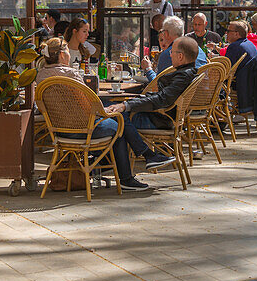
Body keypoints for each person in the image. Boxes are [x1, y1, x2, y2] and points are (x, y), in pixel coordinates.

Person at [39, 38, 176, 191]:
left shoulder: (41, 75)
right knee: (120, 122)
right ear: (63, 55)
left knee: (118, 117)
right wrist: (104, 112)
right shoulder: (71, 74)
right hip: (84, 130)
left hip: (58, 130)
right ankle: (131, 172)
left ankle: (140, 160)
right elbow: (87, 105)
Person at [104, 37, 201, 190]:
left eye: (172, 52)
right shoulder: (186, 72)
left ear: (180, 56)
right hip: (160, 117)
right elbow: (160, 97)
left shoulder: (183, 75)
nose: (169, 55)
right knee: (115, 113)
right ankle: (120, 169)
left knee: (118, 118)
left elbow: (162, 99)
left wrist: (126, 105)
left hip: (160, 120)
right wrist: (129, 102)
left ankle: (136, 164)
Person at [141, 15, 207, 78]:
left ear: (166, 34)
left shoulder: (169, 54)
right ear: (183, 32)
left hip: (183, 89)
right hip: (203, 88)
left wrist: (148, 69)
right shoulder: (198, 49)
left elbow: (156, 85)